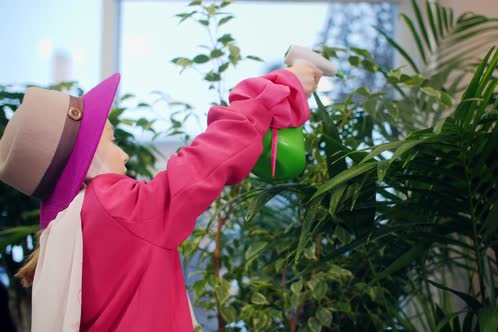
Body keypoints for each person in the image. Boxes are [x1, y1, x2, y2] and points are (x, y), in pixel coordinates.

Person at [0, 63, 322, 331]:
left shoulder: (68, 235)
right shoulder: (114, 209)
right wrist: (279, 88)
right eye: (112, 141)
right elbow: (205, 161)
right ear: (86, 157)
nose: (124, 155)